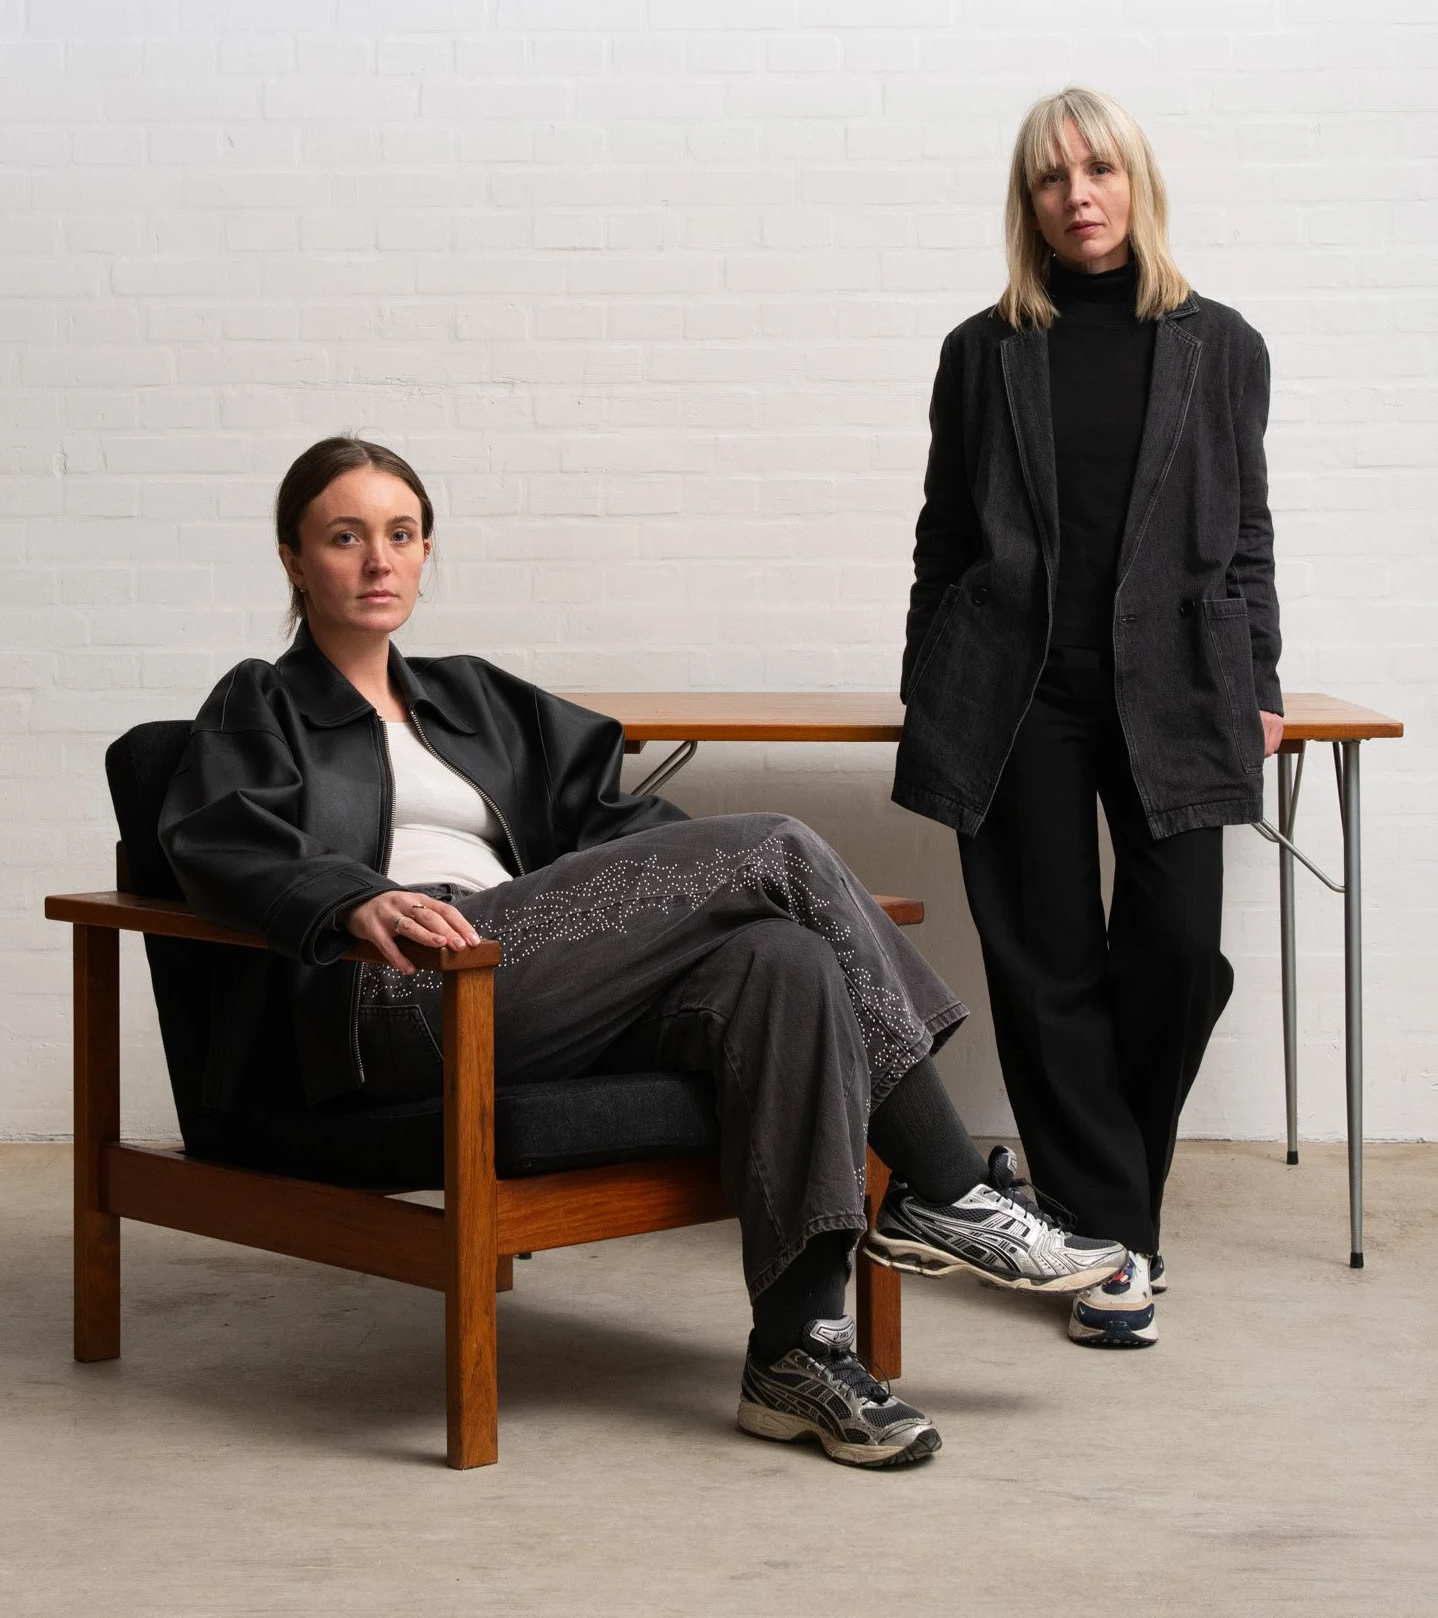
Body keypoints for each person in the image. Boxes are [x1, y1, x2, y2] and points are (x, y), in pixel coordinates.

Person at [161, 435, 1127, 1470]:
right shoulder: (258, 702)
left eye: (400, 534)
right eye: (344, 537)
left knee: (784, 960)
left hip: (538, 976)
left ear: (427, 552)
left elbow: (616, 824)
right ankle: (945, 1183)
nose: (377, 560)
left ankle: (795, 1354)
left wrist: (721, 901)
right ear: (293, 557)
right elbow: (217, 837)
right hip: (406, 992)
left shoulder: (476, 700)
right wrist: (352, 898)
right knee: (775, 846)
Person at [892, 87, 1283, 1350]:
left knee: (1175, 952)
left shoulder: (1219, 344)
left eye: (1098, 169)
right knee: (1043, 962)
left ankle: (1087, 1203)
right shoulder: (983, 350)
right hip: (1015, 693)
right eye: (1052, 177)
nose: (1078, 195)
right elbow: (944, 535)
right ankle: (1116, 1241)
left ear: (1135, 181)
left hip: (1176, 684)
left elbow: (1244, 532)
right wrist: (926, 678)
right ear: (1030, 203)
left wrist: (1260, 679)